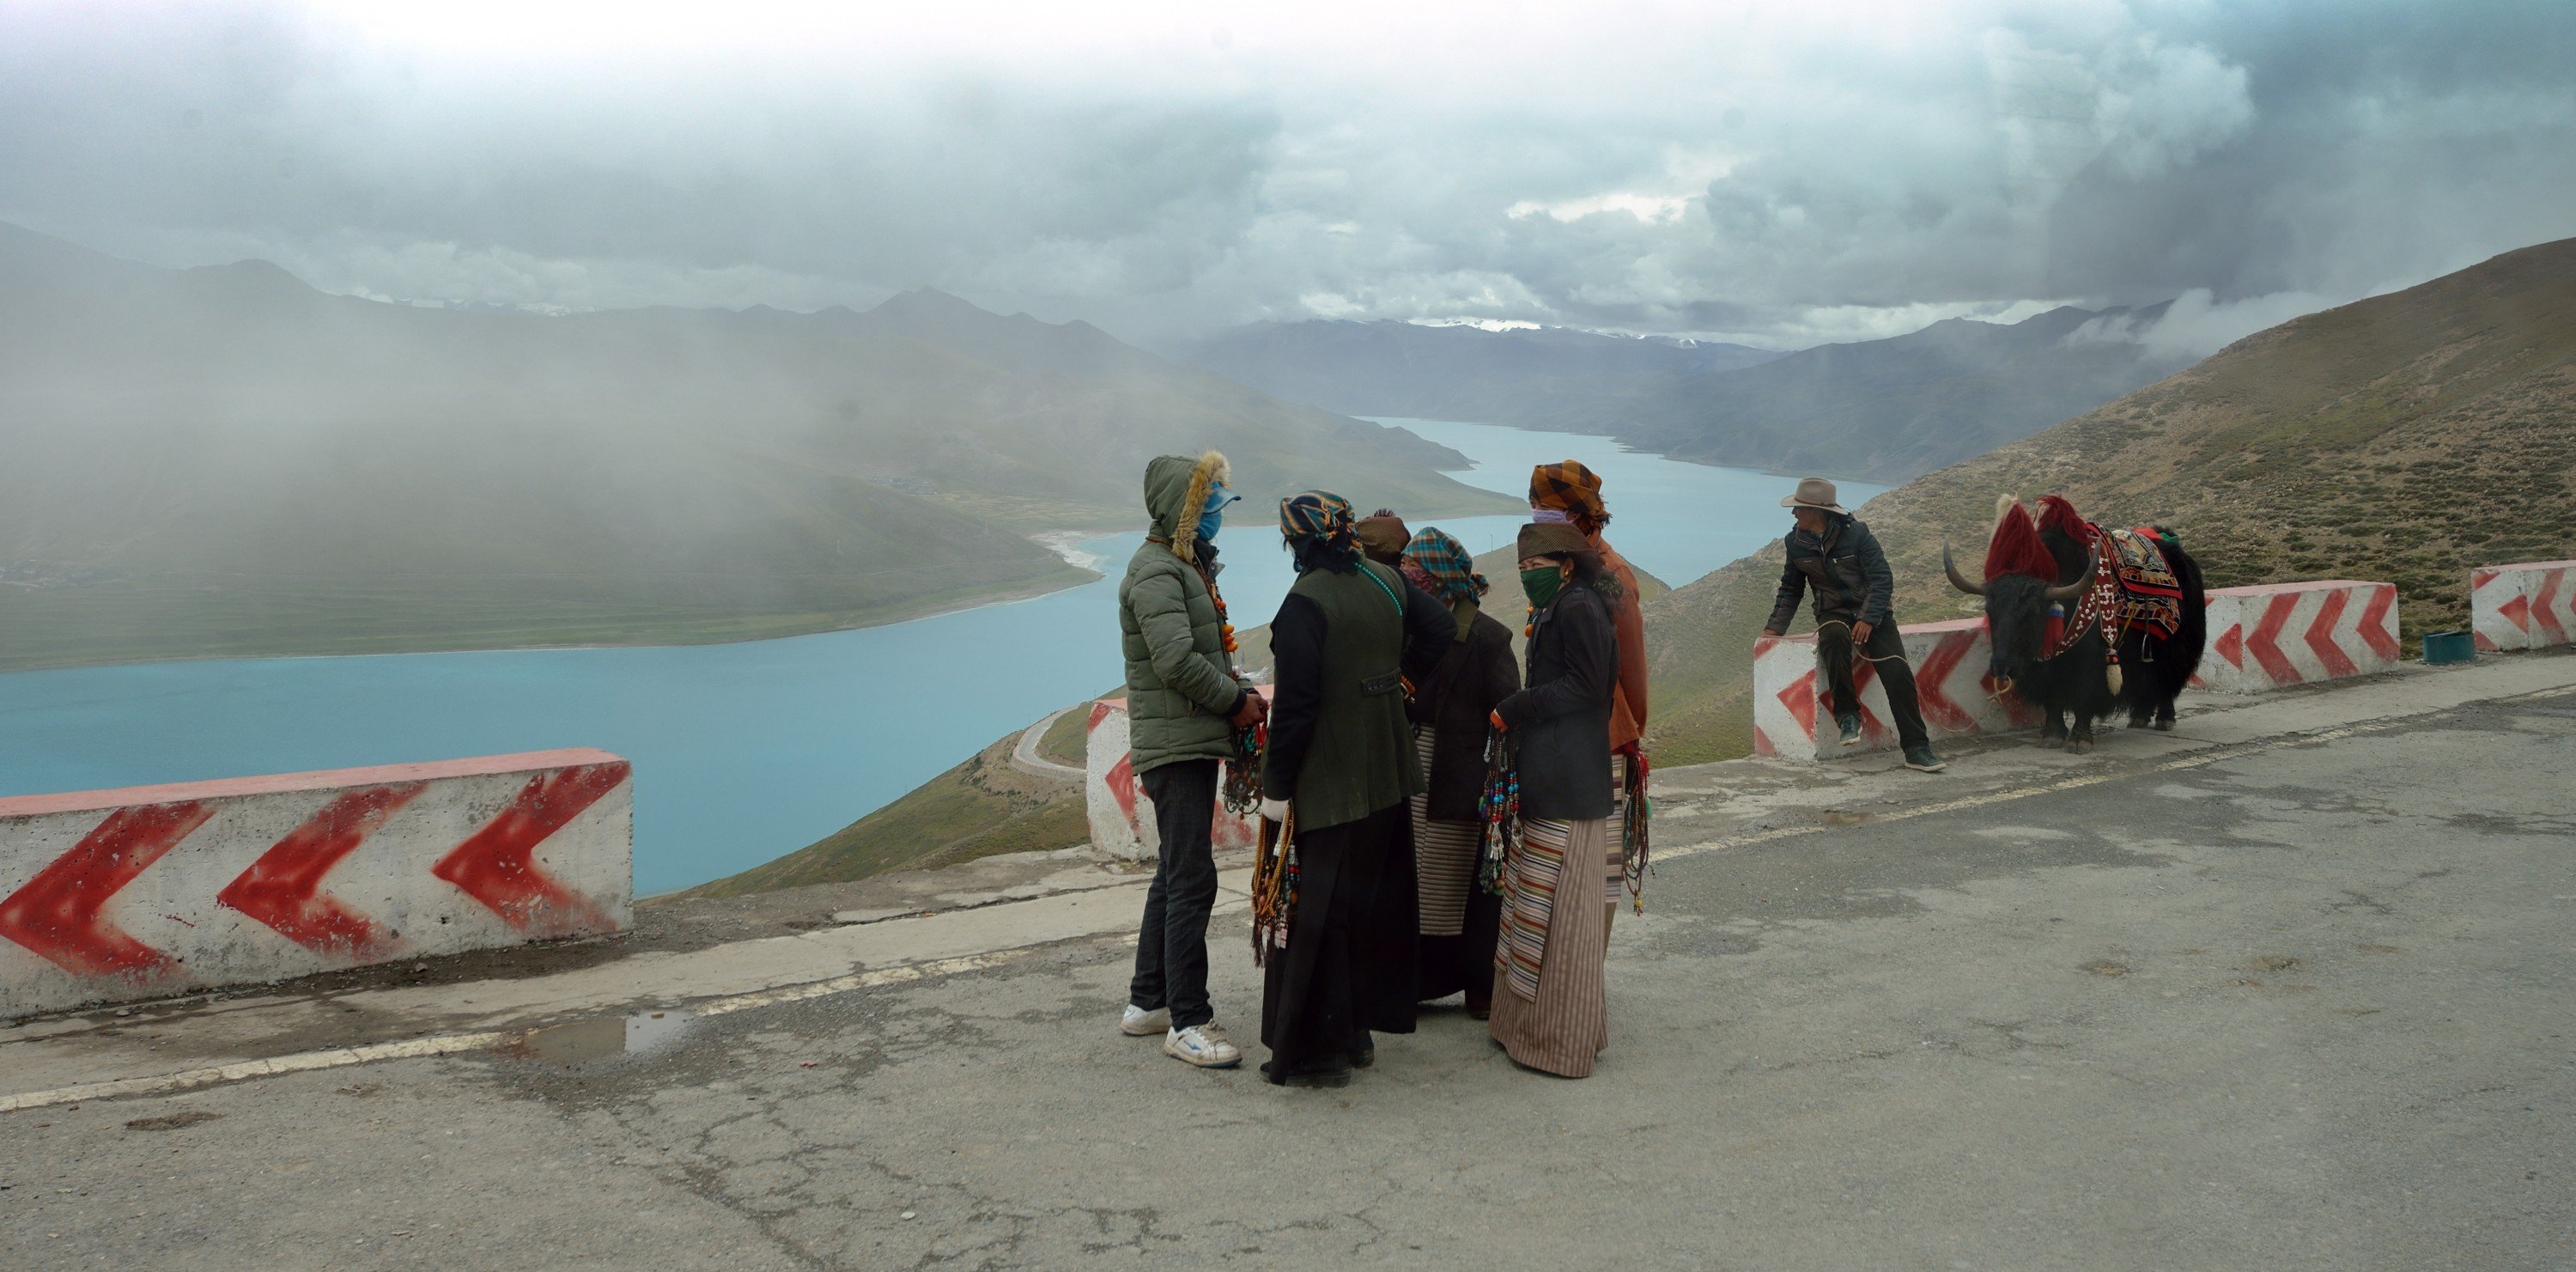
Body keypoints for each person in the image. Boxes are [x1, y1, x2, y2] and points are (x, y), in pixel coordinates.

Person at [1256, 490, 1455, 1087]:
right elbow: (1442, 626)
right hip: (1386, 772)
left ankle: (1319, 1052)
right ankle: (1357, 1032)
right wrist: (1397, 687)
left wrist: (1275, 789)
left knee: (1318, 913)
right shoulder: (1385, 581)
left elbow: (1295, 709)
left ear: (1298, 541)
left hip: (1330, 781)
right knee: (1367, 905)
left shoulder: (1305, 603)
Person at [1116, 451, 1267, 1069]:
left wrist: (1234, 687)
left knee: (1174, 873)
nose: (1216, 516)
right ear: (1181, 511)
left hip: (1185, 738)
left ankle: (1148, 1001)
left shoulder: (1182, 566)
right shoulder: (1157, 571)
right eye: (1207, 505)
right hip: (1176, 744)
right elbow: (1175, 660)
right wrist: (1234, 701)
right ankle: (1188, 1020)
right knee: (1192, 879)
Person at [1487, 520, 1620, 1077]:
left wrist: (1517, 706)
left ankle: (1560, 1042)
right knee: (1537, 906)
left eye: (1534, 567)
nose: (1526, 576)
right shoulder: (1561, 605)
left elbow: (1587, 688)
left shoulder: (1578, 607)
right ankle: (1527, 1031)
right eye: (1521, 568)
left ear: (1565, 565)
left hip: (1570, 779)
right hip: (1555, 772)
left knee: (1560, 914)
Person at [1398, 526, 1518, 1018]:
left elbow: (1507, 709)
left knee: (1453, 880)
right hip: (1412, 768)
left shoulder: (1488, 637)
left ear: (1439, 578)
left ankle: (1475, 985)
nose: (1409, 578)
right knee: (1412, 880)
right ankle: (1409, 985)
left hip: (1460, 773)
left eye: (1417, 572)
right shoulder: (1407, 624)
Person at [1528, 460, 1649, 930]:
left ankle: (1585, 962)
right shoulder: (1561, 564)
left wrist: (1629, 738)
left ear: (1577, 516)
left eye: (1544, 508)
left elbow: (1631, 671)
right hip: (1562, 732)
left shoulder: (1611, 576)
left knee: (1597, 867)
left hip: (1603, 738)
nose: (1536, 516)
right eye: (1534, 506)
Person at [1760, 477, 1947, 773]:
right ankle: (1847, 716)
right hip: (1832, 612)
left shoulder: (1857, 534)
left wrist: (1868, 618)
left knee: (1897, 672)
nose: (1794, 513)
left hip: (1875, 615)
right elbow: (1791, 589)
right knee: (1833, 638)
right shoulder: (1794, 542)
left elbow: (1882, 579)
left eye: (1799, 508)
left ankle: (1917, 748)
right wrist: (1774, 629)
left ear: (1818, 511)